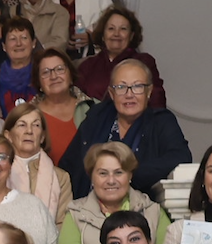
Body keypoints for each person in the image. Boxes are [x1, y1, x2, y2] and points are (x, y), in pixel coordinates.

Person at [60, 56, 191, 199]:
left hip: (140, 208)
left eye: (137, 87)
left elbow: (180, 157)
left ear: (149, 92)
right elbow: (68, 165)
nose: (129, 95)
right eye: (121, 87)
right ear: (112, 93)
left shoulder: (161, 121)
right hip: (90, 209)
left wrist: (129, 172)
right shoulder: (97, 118)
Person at [56, 142, 173, 244]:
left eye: (118, 172)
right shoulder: (76, 213)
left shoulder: (153, 211)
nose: (111, 180)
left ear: (130, 175)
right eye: (103, 173)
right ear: (92, 176)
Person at [75, 7, 168, 108]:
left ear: (131, 35)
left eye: (123, 29)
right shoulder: (88, 65)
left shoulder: (144, 62)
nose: (116, 34)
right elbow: (77, 102)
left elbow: (157, 100)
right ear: (103, 35)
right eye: (111, 29)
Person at [5, 103, 71, 226]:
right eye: (22, 125)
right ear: (8, 136)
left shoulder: (61, 177)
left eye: (36, 125)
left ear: (42, 137)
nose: (29, 131)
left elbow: (63, 225)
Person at [26, 46, 91, 164]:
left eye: (60, 69)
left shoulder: (92, 108)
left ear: (70, 75)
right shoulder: (27, 116)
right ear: (39, 82)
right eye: (46, 72)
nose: (54, 76)